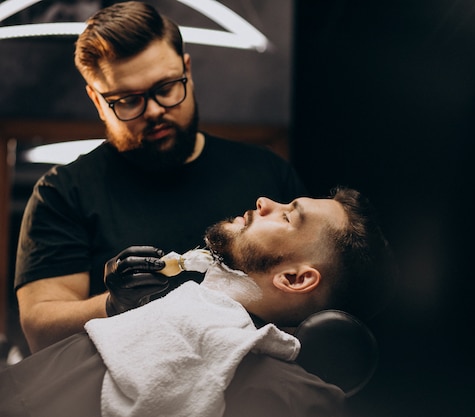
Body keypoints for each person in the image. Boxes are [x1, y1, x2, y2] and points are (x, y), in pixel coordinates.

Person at [14, 1, 307, 354]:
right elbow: (40, 331)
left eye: (166, 87)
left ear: (187, 69)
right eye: (128, 100)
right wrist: (113, 304)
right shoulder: (63, 192)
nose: (154, 111)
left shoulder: (266, 172)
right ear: (97, 99)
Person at [1, 187, 396, 417]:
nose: (263, 201)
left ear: (294, 278)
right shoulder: (161, 321)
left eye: (288, 216)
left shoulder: (284, 397)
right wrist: (113, 304)